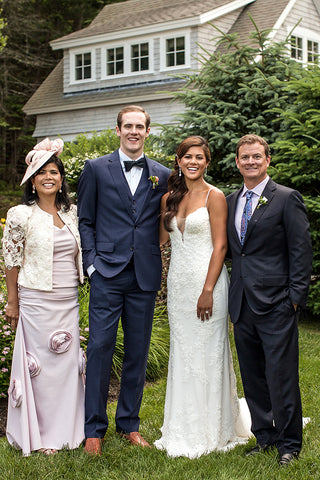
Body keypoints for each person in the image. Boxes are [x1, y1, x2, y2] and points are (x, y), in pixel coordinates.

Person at [77, 105, 171, 455]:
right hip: (107, 273)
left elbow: (163, 222)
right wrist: (91, 266)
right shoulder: (96, 169)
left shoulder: (162, 174)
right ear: (117, 130)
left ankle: (128, 424)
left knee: (137, 351)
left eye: (140, 126)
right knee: (100, 348)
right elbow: (85, 220)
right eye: (128, 126)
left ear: (148, 132)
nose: (134, 131)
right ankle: (93, 429)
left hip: (144, 276)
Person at [154, 136, 251, 458]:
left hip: (207, 284)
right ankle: (182, 425)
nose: (193, 162)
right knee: (183, 354)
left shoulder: (215, 196)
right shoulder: (168, 197)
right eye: (187, 157)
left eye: (199, 157)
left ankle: (212, 428)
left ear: (207, 162)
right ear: (178, 161)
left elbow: (221, 246)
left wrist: (208, 290)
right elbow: (160, 242)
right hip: (178, 287)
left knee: (208, 354)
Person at [226, 134, 313, 466]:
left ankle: (289, 443)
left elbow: (301, 252)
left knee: (281, 374)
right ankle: (265, 436)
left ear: (267, 160)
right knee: (253, 374)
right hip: (242, 302)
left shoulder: (287, 199)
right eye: (244, 157)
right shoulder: (232, 200)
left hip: (277, 301)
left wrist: (294, 299)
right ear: (237, 162)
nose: (250, 161)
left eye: (256, 157)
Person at [3, 138, 85, 456]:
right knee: (41, 370)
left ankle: (70, 430)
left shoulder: (73, 213)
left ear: (61, 178)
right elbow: (11, 259)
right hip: (36, 299)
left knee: (67, 368)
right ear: (32, 181)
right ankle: (42, 434)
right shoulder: (20, 215)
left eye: (54, 171)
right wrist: (13, 300)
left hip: (68, 299)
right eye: (41, 173)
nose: (48, 177)